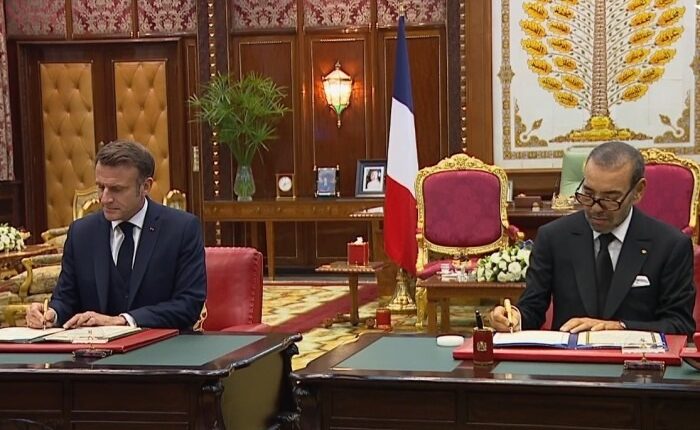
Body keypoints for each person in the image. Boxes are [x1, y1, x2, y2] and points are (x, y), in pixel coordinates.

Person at [491, 141, 695, 335]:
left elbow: (679, 324)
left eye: (610, 198)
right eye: (588, 194)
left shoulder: (670, 245)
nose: (596, 208)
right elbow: (532, 309)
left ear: (638, 192)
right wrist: (514, 318)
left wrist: (619, 328)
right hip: (569, 356)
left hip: (638, 358)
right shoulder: (553, 237)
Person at [26, 140, 206, 330]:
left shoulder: (181, 229)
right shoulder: (82, 233)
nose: (105, 198)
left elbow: (188, 305)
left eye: (117, 189)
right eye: (100, 187)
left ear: (145, 186)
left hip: (162, 346)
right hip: (93, 347)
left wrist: (124, 320)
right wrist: (51, 314)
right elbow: (66, 299)